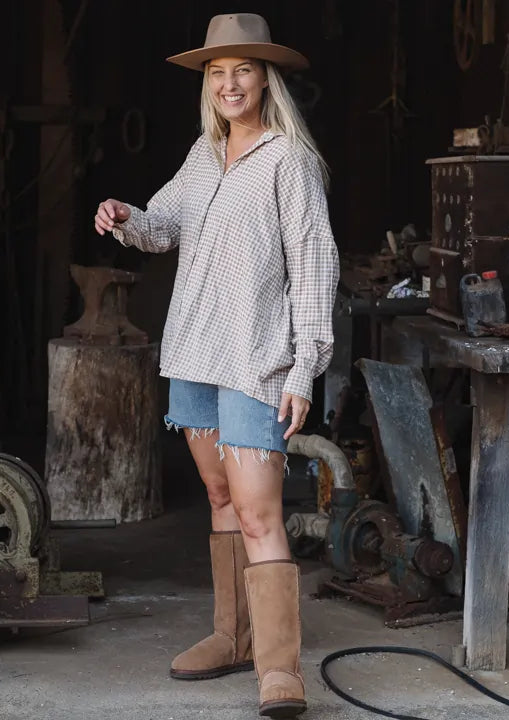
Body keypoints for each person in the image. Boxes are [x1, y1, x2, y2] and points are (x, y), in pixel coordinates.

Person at [94, 13, 338, 718]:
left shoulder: (288, 161)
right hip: (195, 356)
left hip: (256, 361)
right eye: (217, 71)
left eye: (243, 69)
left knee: (261, 511)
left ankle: (279, 668)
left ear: (267, 79)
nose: (230, 83)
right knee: (222, 499)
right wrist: (125, 215)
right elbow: (163, 225)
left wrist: (303, 370)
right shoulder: (204, 156)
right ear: (209, 83)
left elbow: (316, 268)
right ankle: (232, 636)